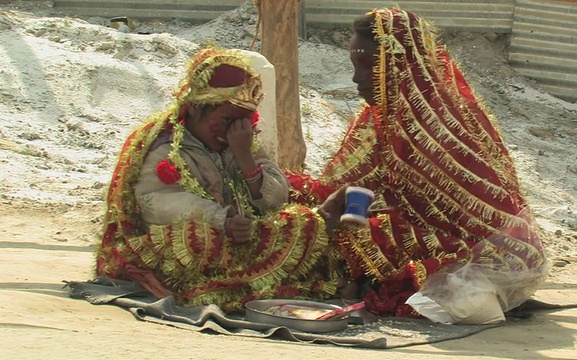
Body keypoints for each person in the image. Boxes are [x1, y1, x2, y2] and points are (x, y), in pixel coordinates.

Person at [287, 8, 549, 323]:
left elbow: (444, 216)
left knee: (331, 234)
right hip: (431, 234)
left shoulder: (434, 125)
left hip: (488, 253)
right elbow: (359, 183)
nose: (357, 78)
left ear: (397, 67)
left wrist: (348, 209)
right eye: (355, 66)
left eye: (370, 66)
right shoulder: (381, 115)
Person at [95, 47, 346, 312]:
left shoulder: (241, 140)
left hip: (240, 240)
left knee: (302, 222)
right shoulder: (163, 146)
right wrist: (221, 219)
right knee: (199, 240)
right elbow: (155, 202)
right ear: (193, 108)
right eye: (225, 120)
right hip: (187, 248)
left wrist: (244, 157)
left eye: (243, 122)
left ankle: (251, 280)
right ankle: (254, 282)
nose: (233, 130)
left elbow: (276, 199)